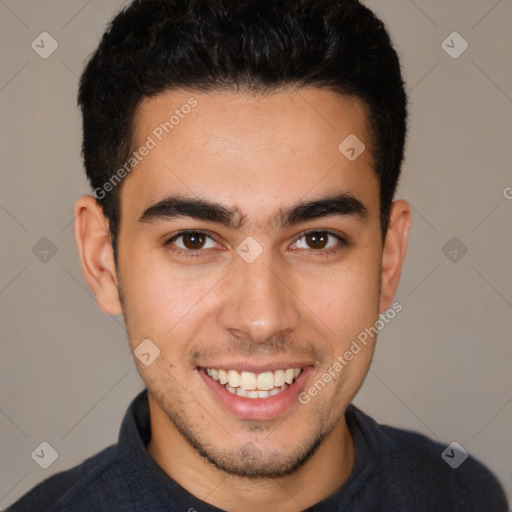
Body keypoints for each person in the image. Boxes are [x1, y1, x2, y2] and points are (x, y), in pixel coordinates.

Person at [8, 0, 508, 510]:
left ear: (388, 259)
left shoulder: (465, 495)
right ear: (103, 262)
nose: (262, 319)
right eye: (194, 240)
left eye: (316, 239)